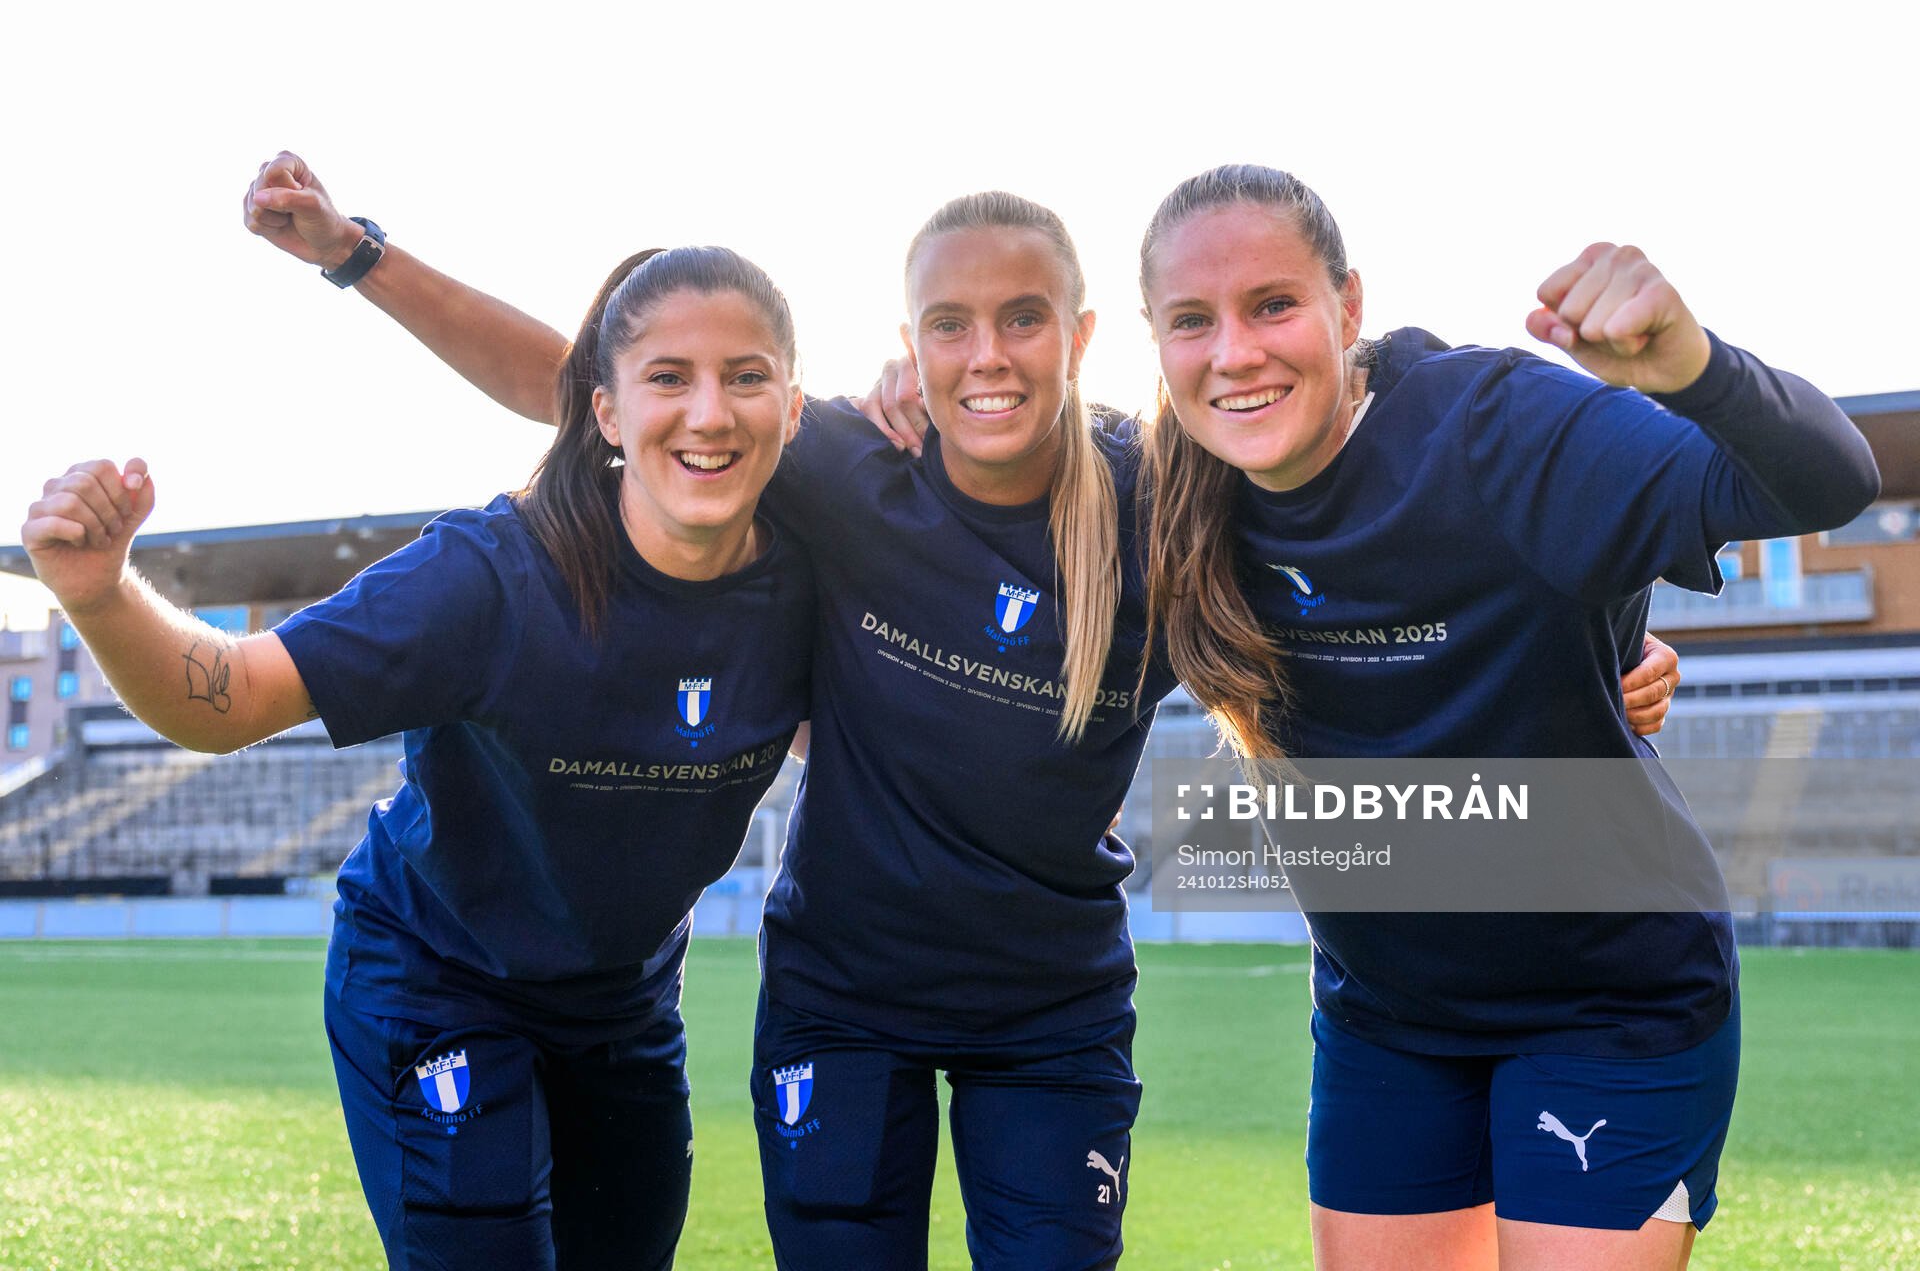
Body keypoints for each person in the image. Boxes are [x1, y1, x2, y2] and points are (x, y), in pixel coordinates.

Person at [238, 152, 1681, 1269]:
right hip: (841, 1004)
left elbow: (1372, 564)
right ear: (909, 344)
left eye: (1021, 320)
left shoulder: (1166, 496)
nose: (986, 355)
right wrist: (360, 257)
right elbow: (583, 380)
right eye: (950, 324)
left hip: (1049, 1019)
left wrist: (1588, 660)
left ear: (1081, 332)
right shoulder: (847, 465)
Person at [1130, 164, 1879, 1271]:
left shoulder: (1496, 426)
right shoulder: (1164, 493)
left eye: (1273, 303)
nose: (1234, 352)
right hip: (1386, 1017)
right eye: (1192, 320)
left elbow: (1826, 483)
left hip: (1609, 1005)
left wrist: (1693, 367)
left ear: (1347, 306)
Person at [22, 245, 814, 1269]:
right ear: (605, 411)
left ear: (794, 407)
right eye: (667, 376)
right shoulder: (488, 577)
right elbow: (231, 700)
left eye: (745, 377)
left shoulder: (819, 570)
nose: (710, 412)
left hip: (621, 1001)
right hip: (437, 976)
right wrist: (99, 593)